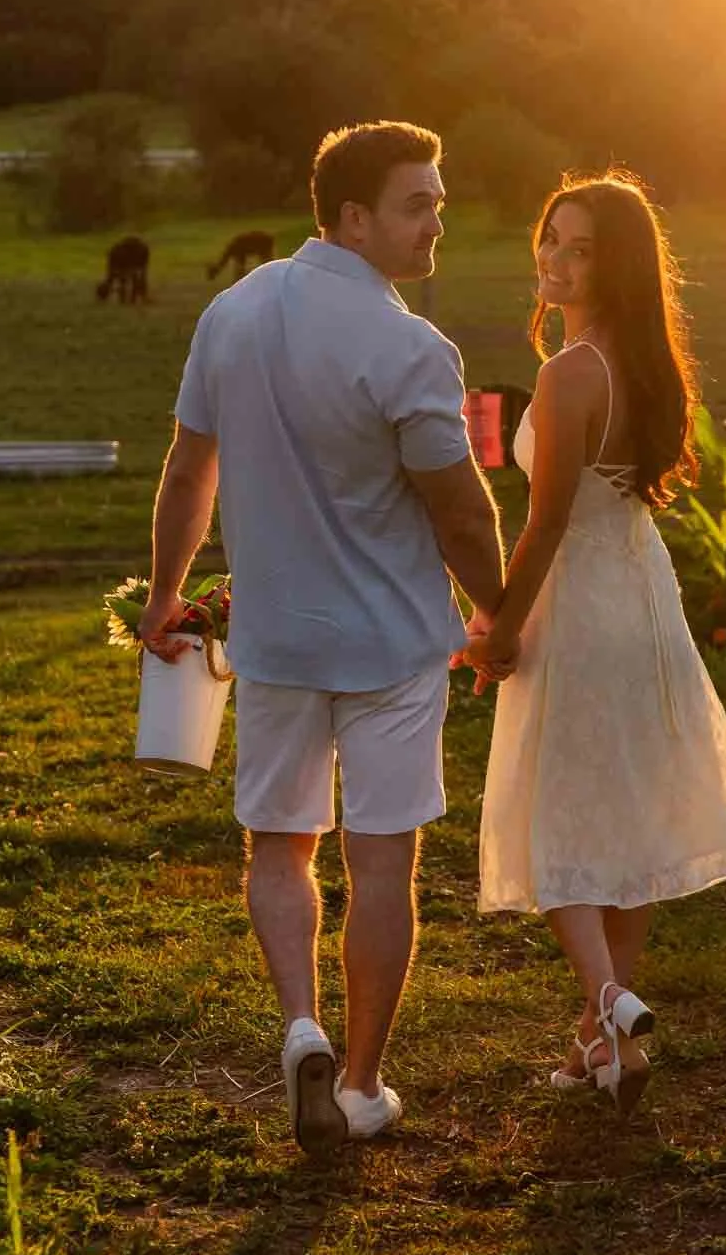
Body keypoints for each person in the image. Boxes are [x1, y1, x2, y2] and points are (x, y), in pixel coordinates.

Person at [139, 121, 512, 1155]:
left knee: (278, 846)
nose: (437, 220)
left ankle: (301, 1023)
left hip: (274, 643)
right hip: (392, 647)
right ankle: (359, 1084)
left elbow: (186, 470)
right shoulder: (408, 346)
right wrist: (501, 614)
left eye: (437, 200)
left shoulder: (233, 310)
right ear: (353, 216)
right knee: (382, 864)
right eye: (416, 204)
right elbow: (461, 511)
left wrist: (167, 598)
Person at [466, 172, 726, 1115]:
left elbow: (546, 524)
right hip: (645, 597)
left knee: (557, 812)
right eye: (549, 239)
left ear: (619, 266)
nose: (554, 260)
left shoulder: (571, 375)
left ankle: (606, 997)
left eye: (579, 247)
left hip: (584, 605)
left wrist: (499, 630)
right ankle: (606, 1046)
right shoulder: (647, 367)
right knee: (628, 817)